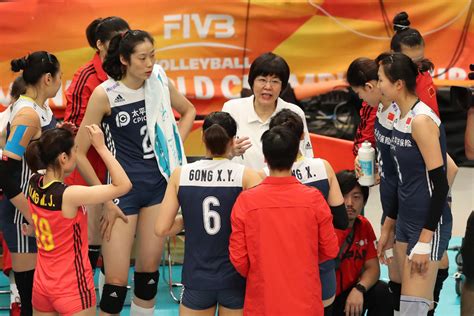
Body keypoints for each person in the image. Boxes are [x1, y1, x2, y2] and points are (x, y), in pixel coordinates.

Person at [75, 29, 195, 315]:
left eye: (153, 55)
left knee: (148, 277)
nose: (150, 63)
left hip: (157, 186)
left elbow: (189, 110)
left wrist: (172, 145)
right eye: (142, 58)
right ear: (125, 59)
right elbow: (79, 152)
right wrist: (103, 199)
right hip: (121, 194)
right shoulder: (106, 94)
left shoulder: (159, 83)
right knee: (115, 285)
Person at [155, 111, 261, 316]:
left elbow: (161, 229)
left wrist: (190, 219)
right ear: (232, 140)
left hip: (197, 278)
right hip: (235, 278)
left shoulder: (181, 174)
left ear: (204, 137)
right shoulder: (247, 176)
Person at [229, 126, 339, 315]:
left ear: (265, 158)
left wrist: (261, 272)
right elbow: (330, 249)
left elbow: (238, 257)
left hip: (262, 299)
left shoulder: (247, 200)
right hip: (305, 299)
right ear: (295, 155)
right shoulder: (313, 199)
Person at [23, 125, 131, 315]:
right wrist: (101, 147)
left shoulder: (34, 182)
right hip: (72, 287)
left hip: (42, 285)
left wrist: (59, 133)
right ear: (63, 158)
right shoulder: (70, 195)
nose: (78, 153)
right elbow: (123, 185)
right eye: (75, 150)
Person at [376, 52, 452, 315]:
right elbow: (399, 178)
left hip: (426, 225)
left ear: (398, 84)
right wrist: (389, 225)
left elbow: (442, 182)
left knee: (413, 312)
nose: (378, 85)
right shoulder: (398, 115)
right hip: (405, 221)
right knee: (402, 306)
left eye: (380, 80)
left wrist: (425, 240)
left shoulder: (421, 120)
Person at [263, 108, 347, 314]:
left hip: (281, 266)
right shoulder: (323, 167)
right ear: (301, 136)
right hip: (319, 263)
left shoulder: (262, 176)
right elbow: (342, 220)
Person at [64, 16, 130, 272]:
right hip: (87, 171)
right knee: (90, 245)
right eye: (117, 41)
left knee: (112, 240)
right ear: (100, 44)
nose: (123, 45)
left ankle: (105, 294)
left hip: (119, 171)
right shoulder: (86, 77)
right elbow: (74, 136)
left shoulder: (131, 73)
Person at [0, 51, 61, 316]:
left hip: (39, 210)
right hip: (23, 217)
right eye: (60, 77)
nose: (61, 82)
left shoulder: (40, 107)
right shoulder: (28, 115)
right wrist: (30, 215)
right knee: (31, 299)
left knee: (42, 296)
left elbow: (7, 140)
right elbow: (4, 171)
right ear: (48, 78)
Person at [352, 11, 439, 156]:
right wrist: (362, 158)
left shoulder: (424, 72)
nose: (417, 67)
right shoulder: (382, 86)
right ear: (394, 54)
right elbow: (366, 136)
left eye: (420, 59)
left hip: (426, 149)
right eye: (411, 61)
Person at [222, 52, 313, 170]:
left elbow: (307, 159)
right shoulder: (231, 109)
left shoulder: (294, 113)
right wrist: (230, 152)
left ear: (282, 86)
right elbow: (217, 158)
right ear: (252, 82)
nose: (268, 87)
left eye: (275, 81)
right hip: (241, 186)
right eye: (262, 80)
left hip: (281, 186)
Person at [332, 170, 392, 316]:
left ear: (364, 201)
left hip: (349, 298)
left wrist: (359, 289)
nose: (349, 203)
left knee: (381, 292)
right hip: (324, 300)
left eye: (356, 197)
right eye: (343, 196)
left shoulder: (363, 226)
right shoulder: (324, 227)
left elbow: (373, 269)